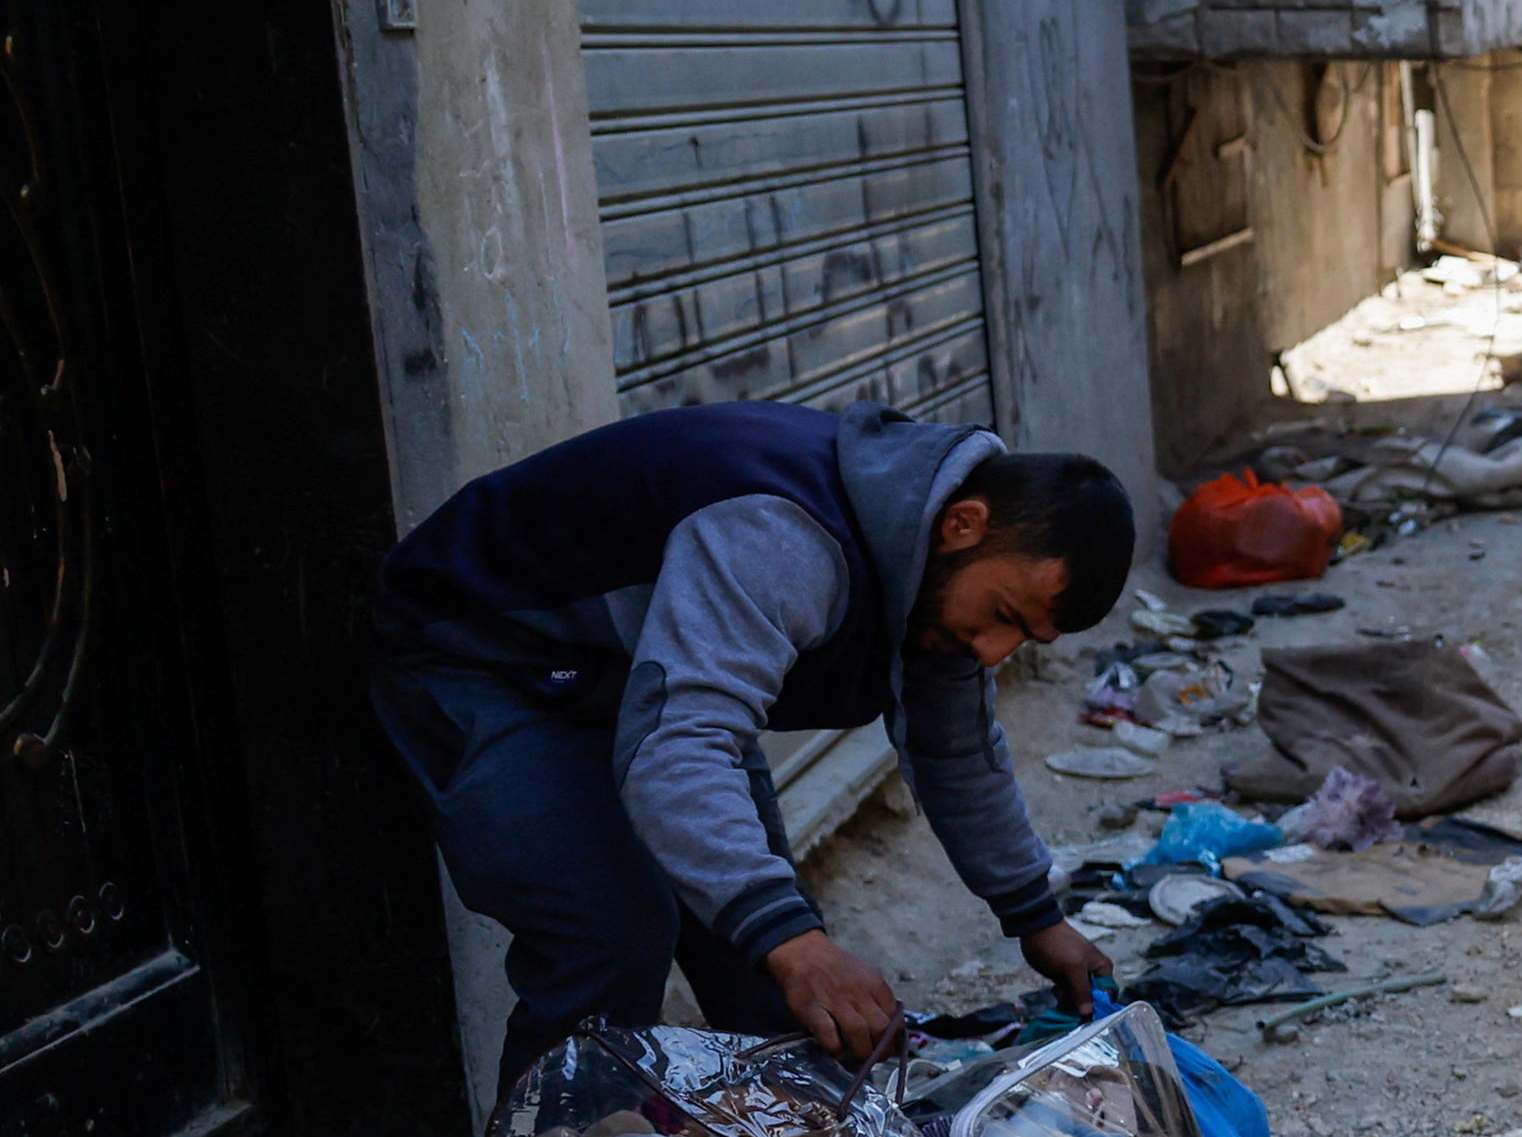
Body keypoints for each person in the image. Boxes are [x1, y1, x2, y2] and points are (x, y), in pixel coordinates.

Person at [370, 399, 1136, 1090]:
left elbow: (957, 750)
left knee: (768, 974)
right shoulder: (782, 533)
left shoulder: (936, 574)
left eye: (1024, 637)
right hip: (483, 657)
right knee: (614, 935)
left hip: (639, 671)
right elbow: (679, 746)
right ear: (962, 523)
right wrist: (794, 942)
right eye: (1003, 612)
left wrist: (1038, 918)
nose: (996, 650)